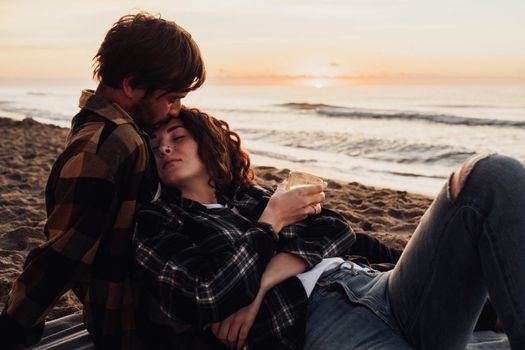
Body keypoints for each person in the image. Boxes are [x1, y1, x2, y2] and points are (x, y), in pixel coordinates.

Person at [134, 108, 525, 349]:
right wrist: (272, 223)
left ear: (207, 144)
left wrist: (263, 281)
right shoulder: (160, 223)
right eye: (155, 145)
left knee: (489, 174)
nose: (165, 147)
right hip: (316, 326)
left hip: (374, 286)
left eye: (178, 137)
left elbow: (337, 231)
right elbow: (207, 294)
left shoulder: (250, 194)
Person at [0, 12, 205, 350]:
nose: (175, 109)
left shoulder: (114, 133)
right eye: (172, 97)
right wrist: (13, 327)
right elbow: (62, 256)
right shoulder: (110, 145)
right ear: (131, 85)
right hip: (139, 331)